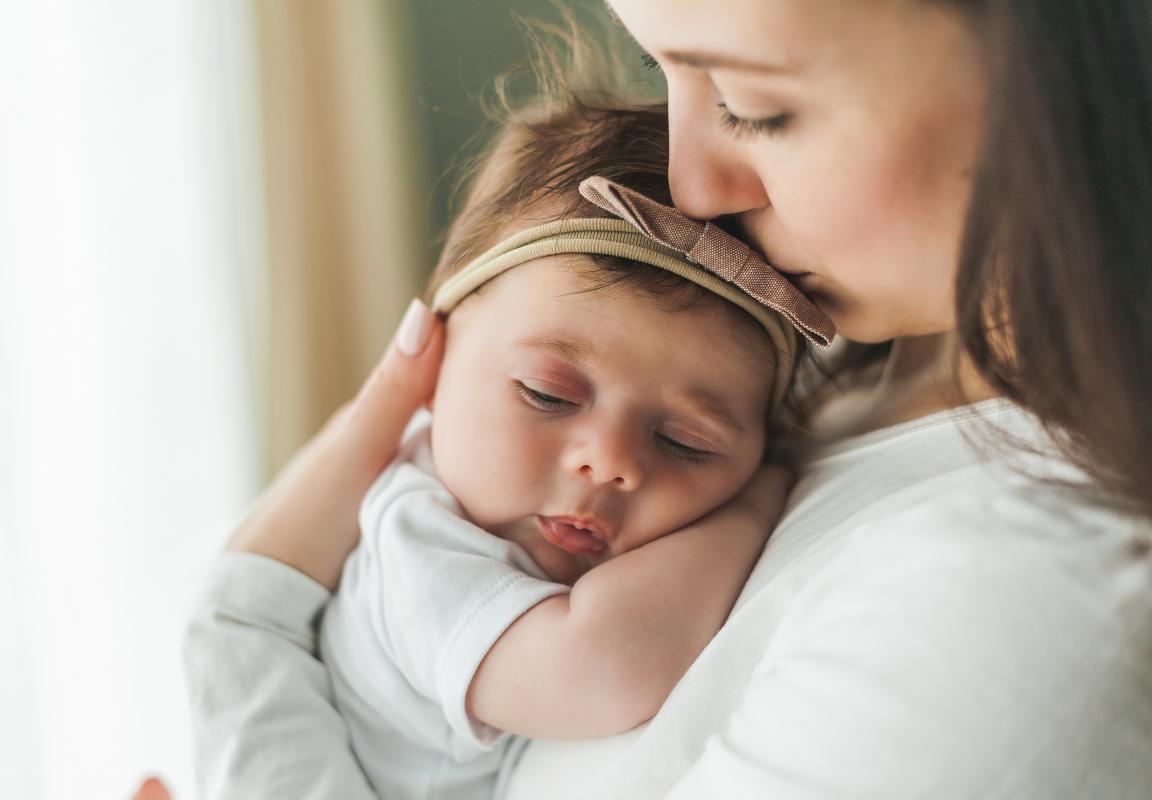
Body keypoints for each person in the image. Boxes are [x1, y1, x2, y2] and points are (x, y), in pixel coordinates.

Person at [178, 1, 1152, 798]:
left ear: (1060, 59)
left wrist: (243, 626)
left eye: (753, 105)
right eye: (663, 69)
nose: (691, 189)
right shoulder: (824, 364)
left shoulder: (1024, 602)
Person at [316, 96, 833, 800]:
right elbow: (601, 669)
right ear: (433, 364)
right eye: (548, 395)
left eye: (685, 442)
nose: (610, 460)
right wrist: (758, 505)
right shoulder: (416, 545)